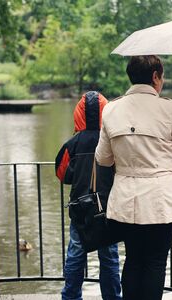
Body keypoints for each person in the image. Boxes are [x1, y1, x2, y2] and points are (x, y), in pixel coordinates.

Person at [95, 55, 172, 300]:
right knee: (155, 263)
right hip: (160, 202)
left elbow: (103, 158)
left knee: (133, 260)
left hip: (126, 201)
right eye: (162, 76)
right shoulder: (169, 108)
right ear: (155, 77)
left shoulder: (112, 109)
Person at [55, 91, 121, 300]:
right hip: (106, 208)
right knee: (109, 257)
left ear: (78, 114)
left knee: (75, 255)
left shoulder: (72, 144)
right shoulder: (112, 140)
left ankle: (71, 296)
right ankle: (112, 297)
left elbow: (62, 174)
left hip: (80, 208)